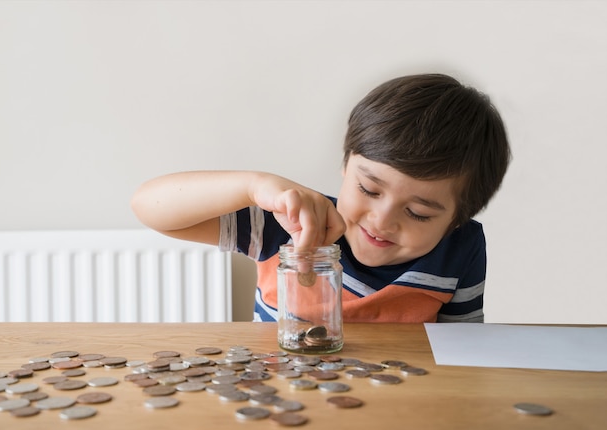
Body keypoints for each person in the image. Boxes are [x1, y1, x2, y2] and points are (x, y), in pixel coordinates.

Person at [131, 73, 511, 323]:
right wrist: (254, 185)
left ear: (457, 219)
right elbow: (149, 208)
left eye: (418, 213)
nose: (381, 219)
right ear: (346, 166)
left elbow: (462, 349)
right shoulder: (288, 221)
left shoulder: (462, 247)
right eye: (368, 189)